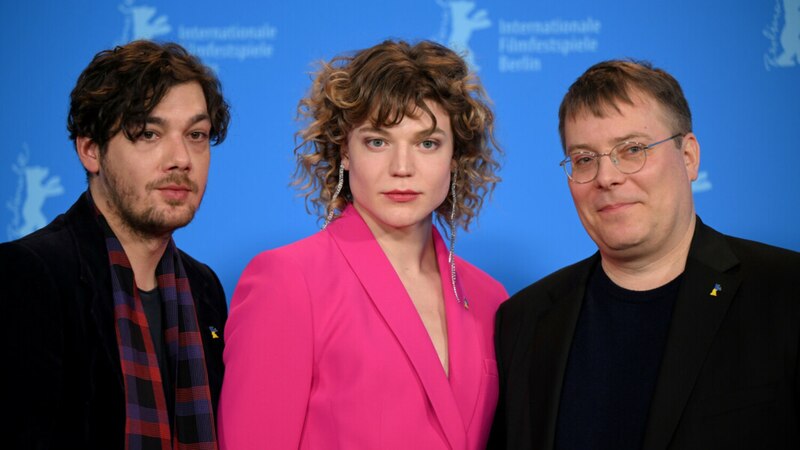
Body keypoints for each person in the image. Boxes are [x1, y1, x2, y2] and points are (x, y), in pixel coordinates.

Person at [489, 59, 800, 449]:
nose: (607, 177)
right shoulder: (525, 321)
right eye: (585, 158)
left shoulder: (786, 293)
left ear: (688, 157)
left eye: (632, 149)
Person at [217, 39, 507, 449]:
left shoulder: (489, 297)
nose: (402, 168)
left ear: (455, 157)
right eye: (377, 141)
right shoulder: (288, 281)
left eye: (427, 143)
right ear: (344, 152)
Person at [0, 40, 231, 449]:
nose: (180, 158)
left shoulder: (204, 288)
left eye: (196, 134)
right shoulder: (29, 274)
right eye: (148, 133)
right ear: (91, 150)